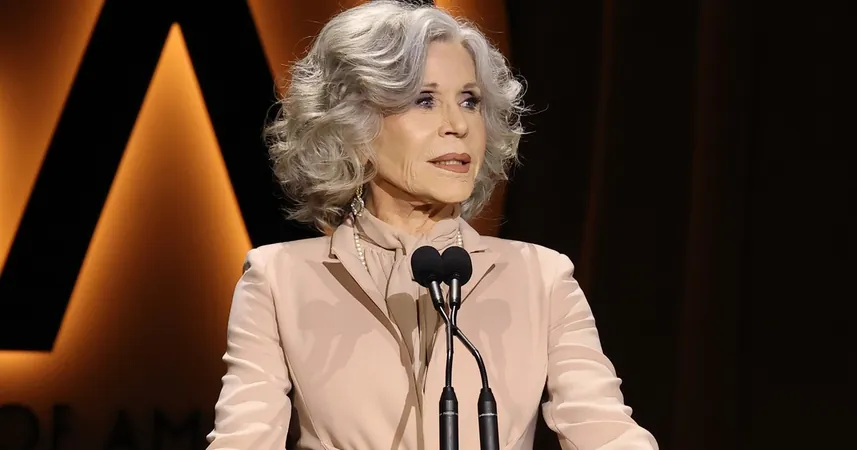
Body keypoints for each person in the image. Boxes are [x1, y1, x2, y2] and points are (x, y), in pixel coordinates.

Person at [205, 1, 658, 449]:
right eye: (424, 100)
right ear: (353, 124)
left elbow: (606, 433)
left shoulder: (542, 277)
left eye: (470, 101)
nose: (458, 124)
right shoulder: (278, 280)